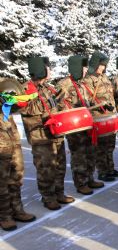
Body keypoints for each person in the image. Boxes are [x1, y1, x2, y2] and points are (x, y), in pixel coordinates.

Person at [21, 57, 75, 210]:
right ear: (40, 69)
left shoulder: (48, 87)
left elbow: (56, 106)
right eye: (47, 68)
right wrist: (52, 102)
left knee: (59, 165)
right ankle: (48, 197)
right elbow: (27, 109)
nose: (50, 71)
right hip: (41, 136)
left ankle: (59, 193)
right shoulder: (26, 89)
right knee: (45, 168)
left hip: (56, 133)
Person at [56, 55, 104, 195]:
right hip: (74, 127)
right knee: (79, 156)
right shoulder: (64, 84)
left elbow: (86, 103)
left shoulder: (81, 84)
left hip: (86, 124)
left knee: (90, 152)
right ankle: (81, 183)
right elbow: (58, 105)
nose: (85, 70)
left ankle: (89, 178)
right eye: (83, 67)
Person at [0, 77, 36, 231]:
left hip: (12, 136)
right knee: (1, 181)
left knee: (17, 176)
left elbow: (17, 106)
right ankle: (4, 216)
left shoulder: (3, 82)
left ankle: (17, 210)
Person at [83, 51, 118, 182]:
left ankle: (110, 168)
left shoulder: (105, 78)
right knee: (101, 147)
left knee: (110, 145)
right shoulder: (88, 80)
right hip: (98, 118)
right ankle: (102, 171)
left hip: (110, 117)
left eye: (104, 65)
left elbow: (110, 94)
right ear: (95, 64)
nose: (103, 68)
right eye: (100, 65)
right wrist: (100, 105)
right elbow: (86, 100)